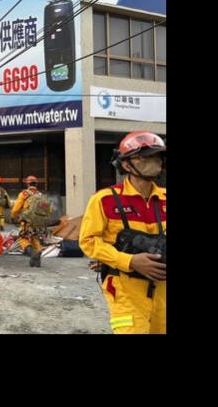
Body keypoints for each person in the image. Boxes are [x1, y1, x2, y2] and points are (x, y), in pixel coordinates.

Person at [79, 130, 166, 334]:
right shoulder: (105, 199)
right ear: (127, 165)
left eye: (157, 157)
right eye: (146, 157)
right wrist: (129, 261)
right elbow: (89, 241)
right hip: (125, 288)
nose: (155, 161)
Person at [10, 175, 51, 267]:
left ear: (28, 184)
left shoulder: (24, 194)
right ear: (36, 184)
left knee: (23, 238)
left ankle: (32, 253)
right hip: (39, 222)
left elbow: (16, 208)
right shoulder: (40, 195)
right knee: (34, 238)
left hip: (27, 221)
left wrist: (13, 216)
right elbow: (48, 210)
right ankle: (36, 260)